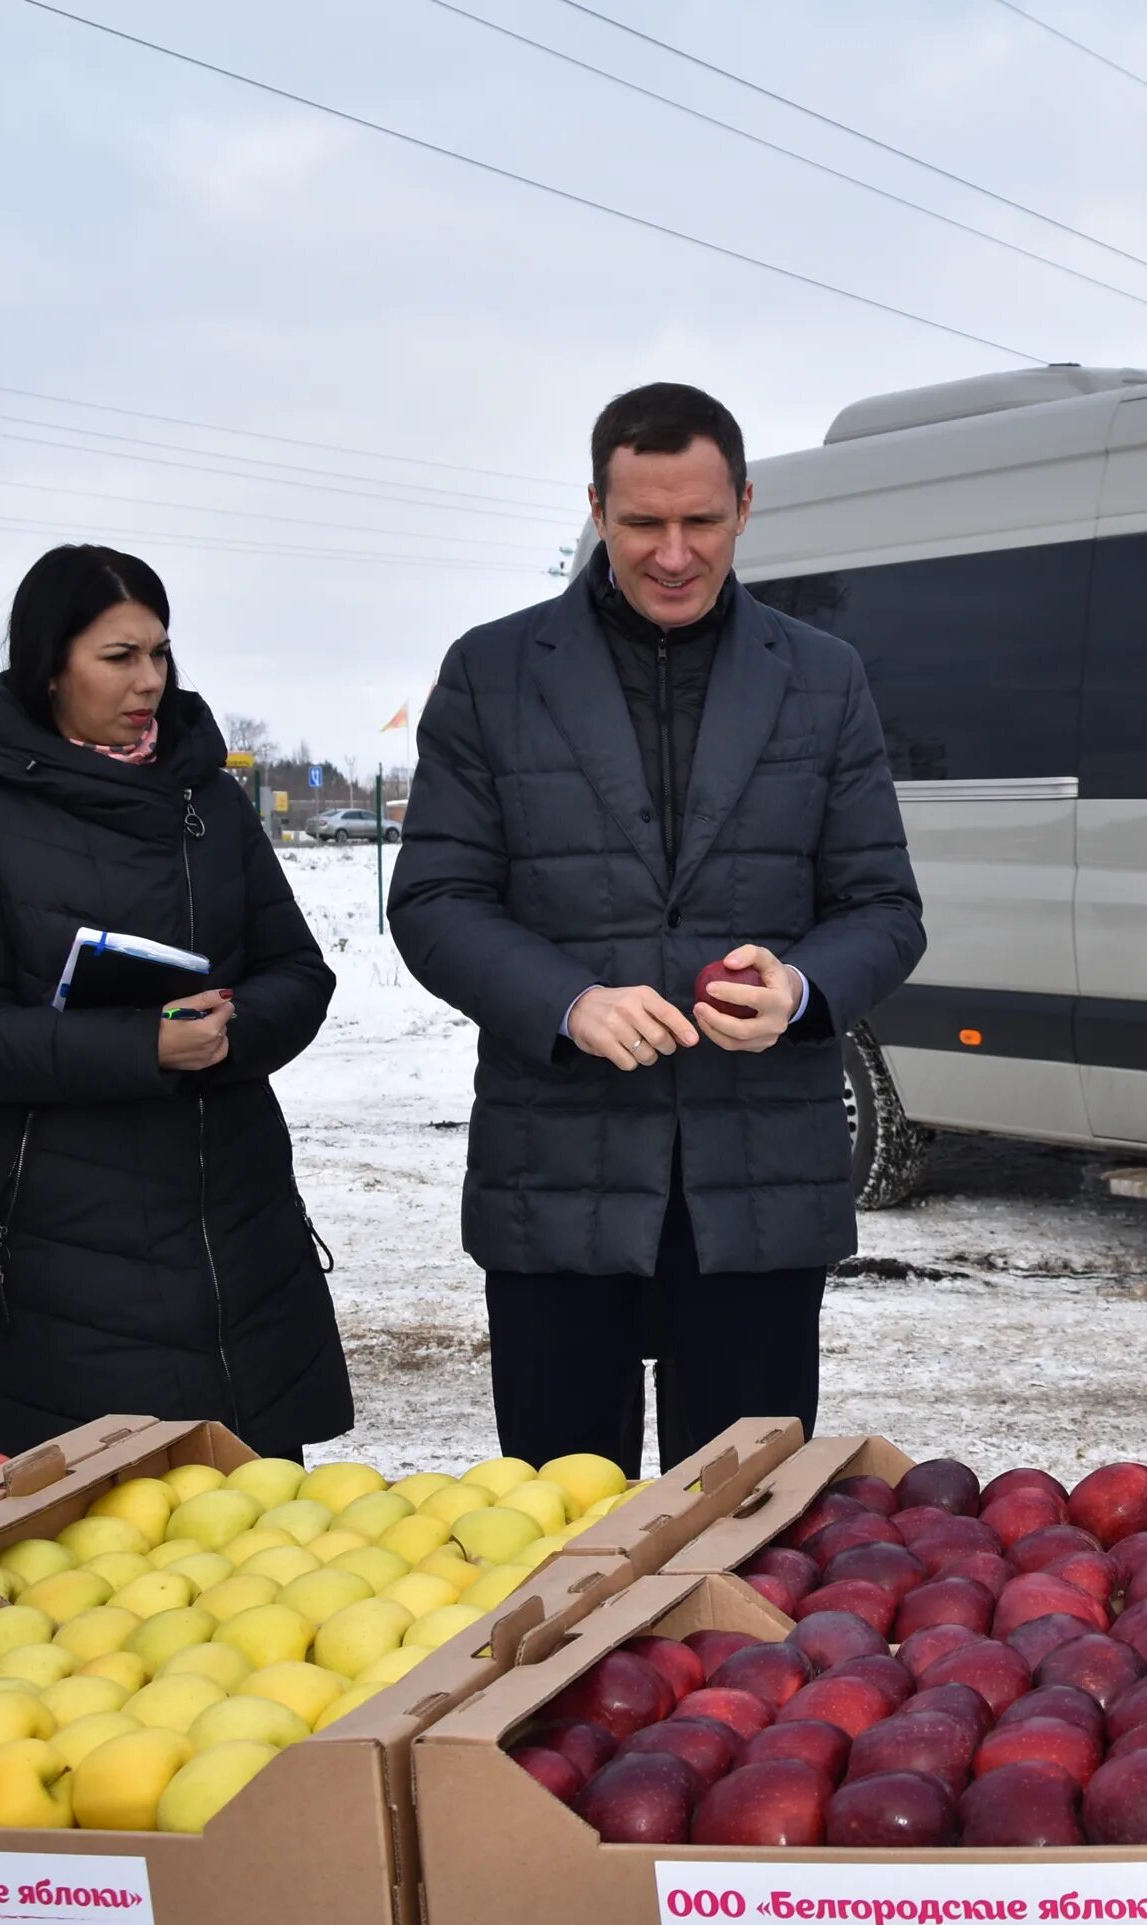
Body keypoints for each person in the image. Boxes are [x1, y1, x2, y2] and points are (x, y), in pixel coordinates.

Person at [389, 383, 923, 1473]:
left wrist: (804, 991)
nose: (674, 553)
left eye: (702, 522)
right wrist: (568, 1003)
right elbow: (437, 900)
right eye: (642, 523)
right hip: (558, 1173)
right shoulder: (494, 674)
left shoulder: (824, 679)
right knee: (560, 1521)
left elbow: (883, 908)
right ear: (595, 508)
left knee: (739, 1520)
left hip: (759, 1178)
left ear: (745, 507)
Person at [0, 545, 347, 1458]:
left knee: (273, 1544)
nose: (149, 681)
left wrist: (233, 1033)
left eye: (160, 653)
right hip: (67, 1233)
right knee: (107, 1544)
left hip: (239, 1212)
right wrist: (143, 1046)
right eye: (119, 657)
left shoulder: (211, 801)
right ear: (49, 663)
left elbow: (298, 970)